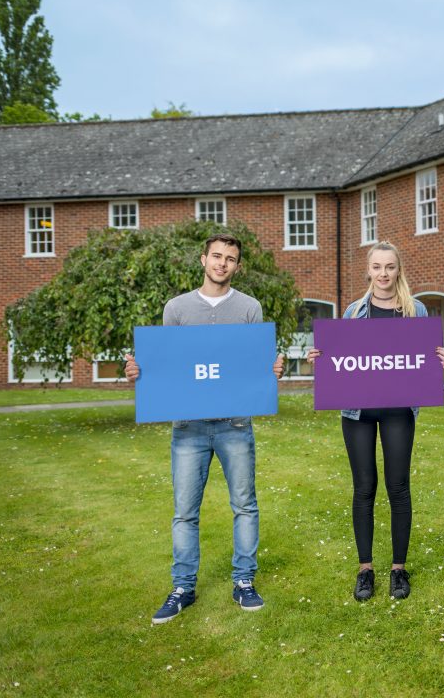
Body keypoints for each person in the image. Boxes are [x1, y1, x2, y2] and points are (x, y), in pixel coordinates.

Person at [124, 233, 285, 624]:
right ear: (203, 259)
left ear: (237, 266)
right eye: (217, 256)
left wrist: (271, 371)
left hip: (235, 424)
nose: (222, 264)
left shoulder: (250, 308)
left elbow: (250, 367)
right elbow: (169, 367)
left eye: (230, 259)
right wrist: (140, 372)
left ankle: (244, 582)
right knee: (184, 512)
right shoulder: (177, 309)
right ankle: (183, 587)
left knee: (244, 506)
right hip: (189, 428)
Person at [307, 241, 444, 602]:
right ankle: (365, 569)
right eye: (377, 267)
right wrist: (319, 358)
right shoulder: (354, 311)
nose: (383, 274)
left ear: (398, 269)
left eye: (389, 267)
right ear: (368, 270)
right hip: (358, 412)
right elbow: (339, 357)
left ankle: (399, 570)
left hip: (399, 410)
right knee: (364, 487)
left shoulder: (414, 310)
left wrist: (439, 357)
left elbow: (425, 358)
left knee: (398, 486)